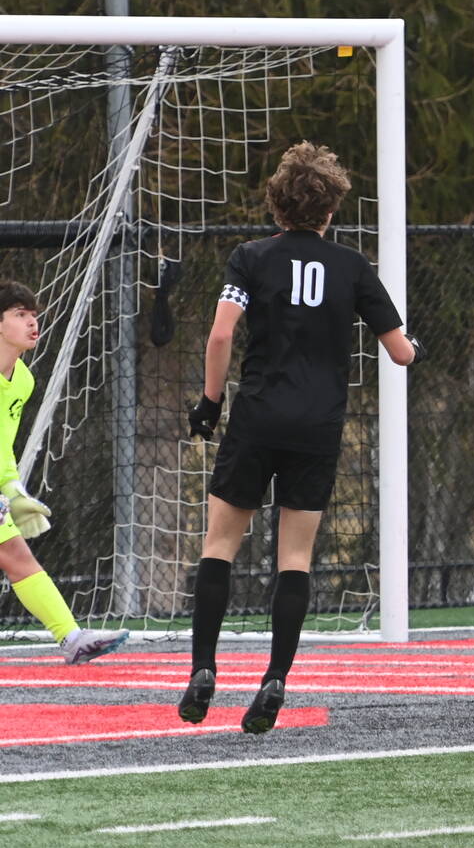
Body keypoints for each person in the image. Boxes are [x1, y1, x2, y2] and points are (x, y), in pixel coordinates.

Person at [181, 142, 417, 732]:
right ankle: (275, 680)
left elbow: (219, 336)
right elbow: (401, 352)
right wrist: (415, 347)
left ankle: (203, 670)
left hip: (257, 416)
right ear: (331, 209)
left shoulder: (250, 258)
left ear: (277, 204)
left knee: (219, 546)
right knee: (295, 556)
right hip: (317, 427)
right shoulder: (353, 268)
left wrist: (210, 404)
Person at [0, 282, 129, 663]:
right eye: (20, 314)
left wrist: (13, 491)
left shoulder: (22, 380)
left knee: (16, 555)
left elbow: (3, 446)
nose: (32, 322)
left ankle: (71, 638)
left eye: (34, 315)